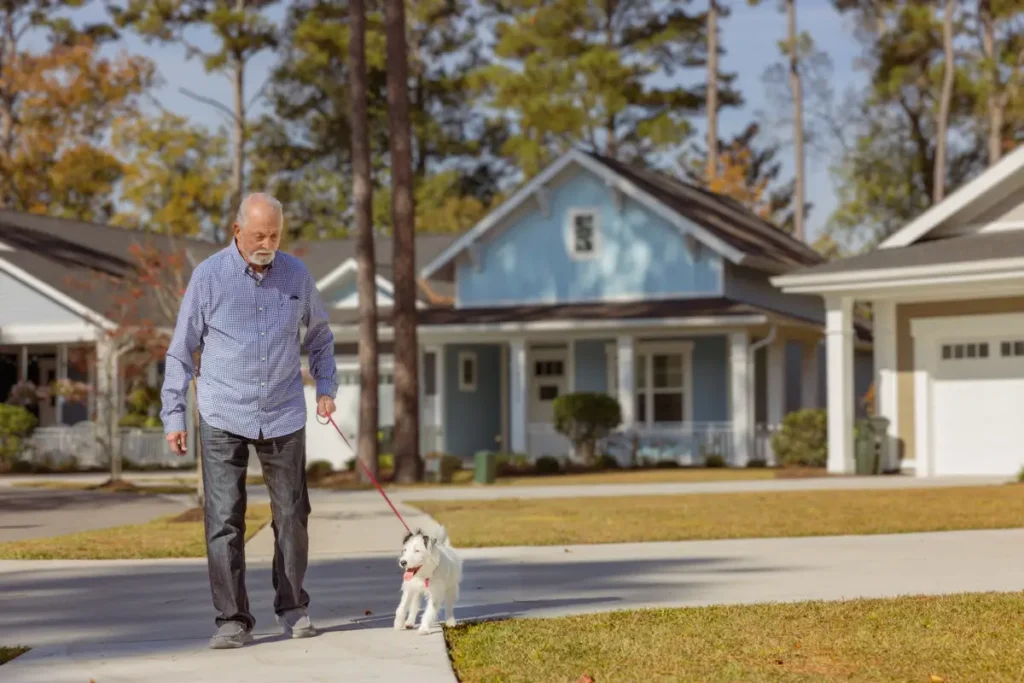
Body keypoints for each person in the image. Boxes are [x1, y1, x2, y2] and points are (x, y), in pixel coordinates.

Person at [160, 192, 337, 649]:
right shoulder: (209, 277)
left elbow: (319, 337)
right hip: (222, 411)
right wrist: (173, 413)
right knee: (223, 519)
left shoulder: (296, 275)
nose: (267, 243)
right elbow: (181, 349)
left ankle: (293, 605)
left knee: (293, 515)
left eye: (274, 234)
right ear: (236, 231)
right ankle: (232, 619)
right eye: (259, 234)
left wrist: (327, 388)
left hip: (282, 411)